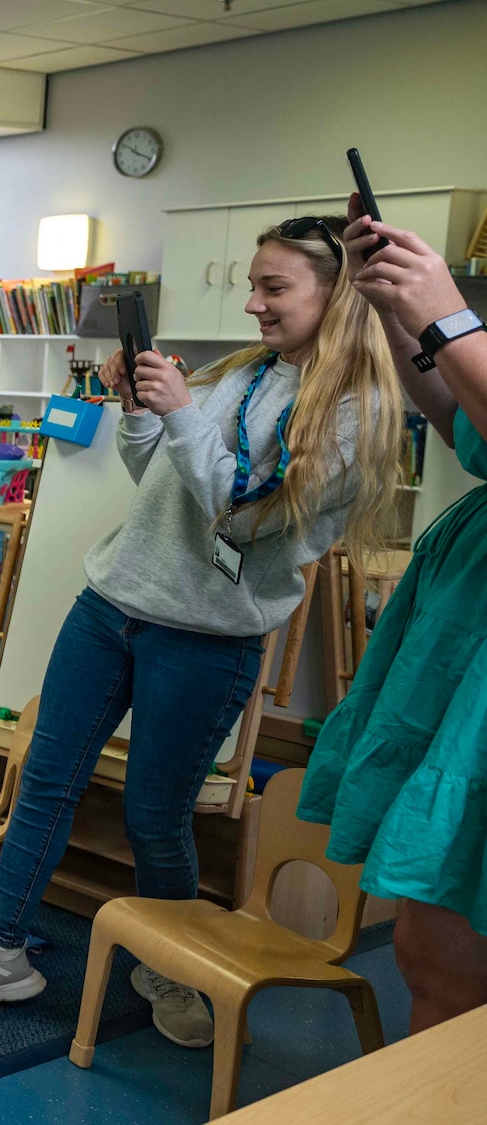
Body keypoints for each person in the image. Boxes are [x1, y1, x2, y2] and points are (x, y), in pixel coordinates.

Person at [0, 215, 405, 1052]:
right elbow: (161, 482)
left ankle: (173, 965)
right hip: (111, 605)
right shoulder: (243, 375)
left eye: (273, 287)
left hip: (205, 640)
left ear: (339, 293)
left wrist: (180, 413)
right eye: (253, 283)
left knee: (155, 812)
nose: (253, 303)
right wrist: (139, 408)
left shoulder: (354, 414)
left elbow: (243, 520)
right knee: (47, 779)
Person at [299, 198, 487, 1034]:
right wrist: (401, 315)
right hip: (459, 640)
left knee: (446, 952)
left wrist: (445, 313)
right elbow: (457, 419)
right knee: (434, 947)